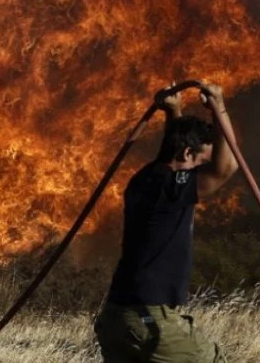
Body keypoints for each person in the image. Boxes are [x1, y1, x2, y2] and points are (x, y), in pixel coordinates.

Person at [94, 82, 239, 362]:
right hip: (148, 320)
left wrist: (173, 111)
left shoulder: (145, 178)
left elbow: (173, 148)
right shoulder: (171, 187)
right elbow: (226, 168)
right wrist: (219, 107)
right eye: (200, 162)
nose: (201, 171)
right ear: (187, 154)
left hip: (117, 318)